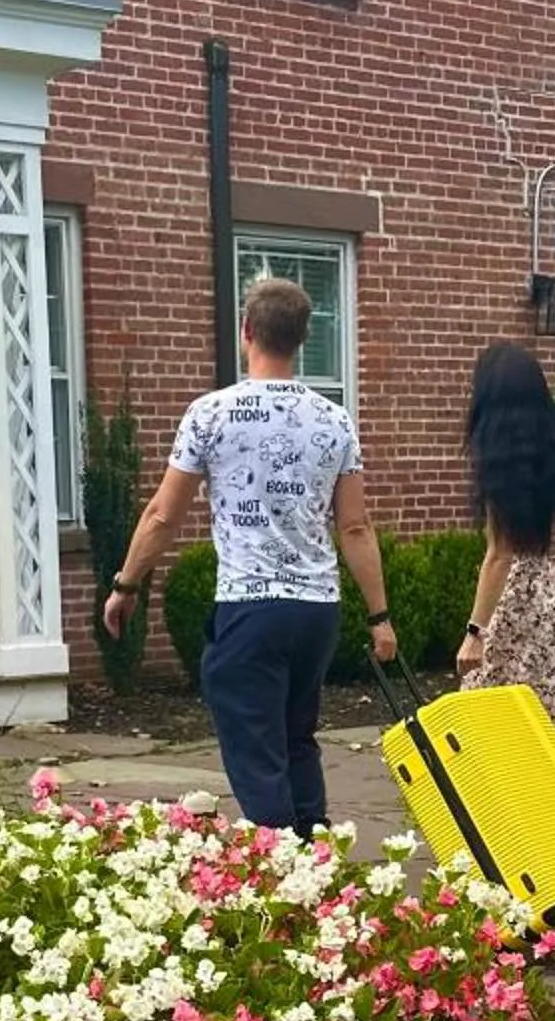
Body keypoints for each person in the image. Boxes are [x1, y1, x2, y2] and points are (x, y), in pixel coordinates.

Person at [103, 276, 398, 834]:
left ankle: (281, 875)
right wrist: (379, 616)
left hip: (250, 605)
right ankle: (316, 862)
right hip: (316, 609)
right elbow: (355, 526)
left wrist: (126, 584)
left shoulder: (211, 415)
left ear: (247, 333)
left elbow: (163, 515)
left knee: (254, 747)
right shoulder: (335, 421)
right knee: (295, 738)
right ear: (302, 340)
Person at [455, 341, 555, 779]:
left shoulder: (500, 458)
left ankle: (511, 803)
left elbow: (499, 555)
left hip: (521, 589)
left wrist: (476, 632)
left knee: (496, 701)